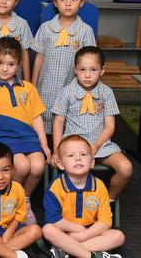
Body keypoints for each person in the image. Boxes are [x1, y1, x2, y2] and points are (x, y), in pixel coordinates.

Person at [0, 36, 50, 225]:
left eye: (10, 64)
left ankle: (23, 200)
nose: (5, 68)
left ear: (18, 65)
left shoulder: (28, 88)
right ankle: (9, 200)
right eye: (0, 63)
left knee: (38, 166)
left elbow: (36, 117)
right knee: (23, 165)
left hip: (29, 138)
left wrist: (44, 144)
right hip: (4, 141)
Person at [51, 46, 133, 200]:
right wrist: (56, 150)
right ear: (75, 70)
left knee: (126, 168)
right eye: (82, 70)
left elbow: (110, 127)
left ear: (102, 70)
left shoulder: (107, 93)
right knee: (76, 171)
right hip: (73, 146)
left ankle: (108, 200)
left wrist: (96, 145)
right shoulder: (67, 91)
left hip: (100, 145)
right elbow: (58, 123)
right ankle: (73, 202)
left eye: (93, 70)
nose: (87, 75)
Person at [31, 0, 96, 134]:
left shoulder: (85, 31)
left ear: (81, 2)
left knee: (68, 124)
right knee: (44, 121)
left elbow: (91, 62)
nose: (68, 3)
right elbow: (39, 57)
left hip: (72, 87)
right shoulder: (46, 28)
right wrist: (32, 86)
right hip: (46, 86)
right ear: (55, 2)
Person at [43, 136, 125, 258]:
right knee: (48, 230)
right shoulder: (55, 186)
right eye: (71, 155)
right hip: (65, 232)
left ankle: (66, 251)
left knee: (118, 236)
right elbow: (53, 218)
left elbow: (105, 221)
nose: (78, 158)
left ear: (92, 162)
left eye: (83, 154)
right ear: (60, 164)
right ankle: (90, 255)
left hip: (91, 232)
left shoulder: (99, 186)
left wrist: (83, 235)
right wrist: (77, 228)